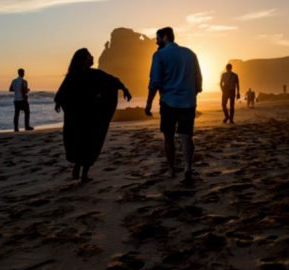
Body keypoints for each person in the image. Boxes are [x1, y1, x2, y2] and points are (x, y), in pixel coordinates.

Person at [54, 48, 131, 182]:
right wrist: (124, 89)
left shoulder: (75, 75)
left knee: (81, 142)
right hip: (91, 117)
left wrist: (59, 102)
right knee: (91, 143)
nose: (92, 57)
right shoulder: (92, 74)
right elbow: (113, 81)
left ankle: (79, 167)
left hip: (80, 117)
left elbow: (61, 93)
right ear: (84, 60)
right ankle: (83, 174)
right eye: (90, 56)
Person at [145, 27, 202, 183]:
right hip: (188, 103)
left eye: (158, 38)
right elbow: (198, 82)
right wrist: (189, 95)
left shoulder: (159, 55)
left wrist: (149, 103)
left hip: (169, 102)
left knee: (168, 137)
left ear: (165, 37)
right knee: (186, 137)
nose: (156, 42)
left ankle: (171, 170)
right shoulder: (190, 54)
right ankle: (188, 168)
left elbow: (155, 81)